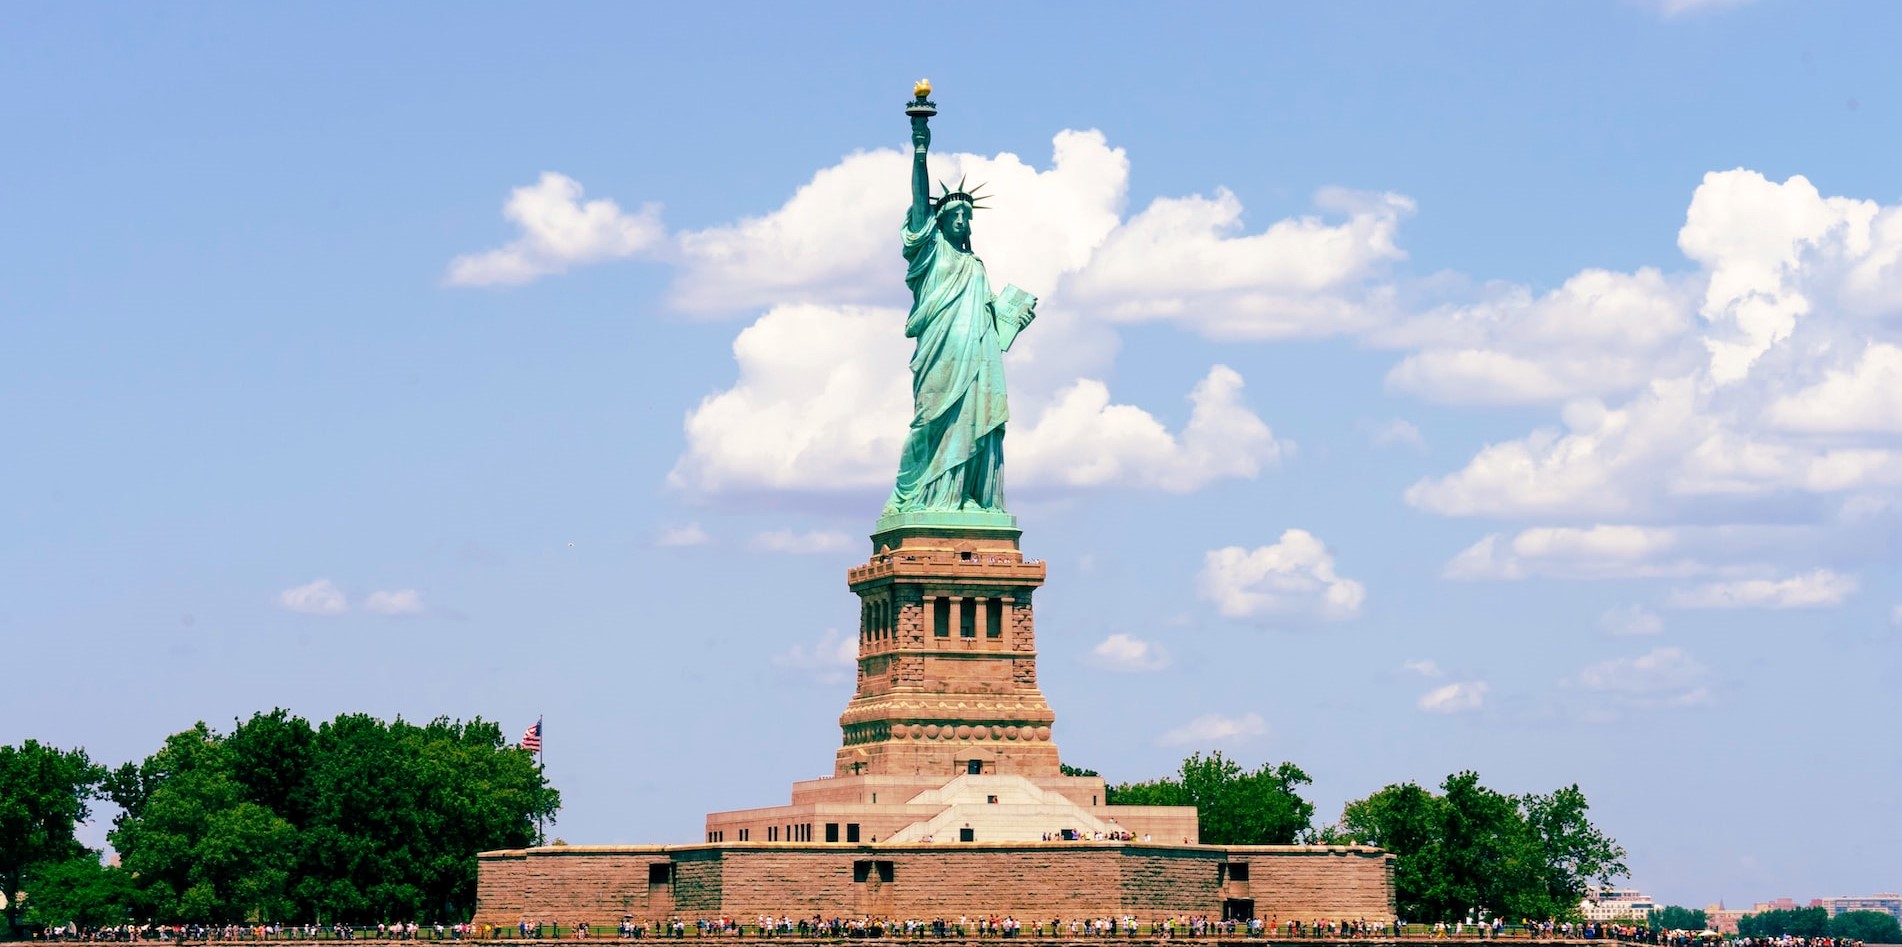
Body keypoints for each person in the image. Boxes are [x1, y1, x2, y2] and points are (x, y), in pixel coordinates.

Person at [882, 101, 1037, 518]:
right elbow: (919, 202)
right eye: (954, 213)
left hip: (980, 356)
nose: (962, 220)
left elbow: (991, 320)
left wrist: (1011, 320)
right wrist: (920, 148)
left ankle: (969, 497)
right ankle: (925, 496)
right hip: (942, 351)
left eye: (967, 215)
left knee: (977, 417)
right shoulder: (928, 253)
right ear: (940, 219)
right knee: (933, 418)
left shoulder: (975, 265)